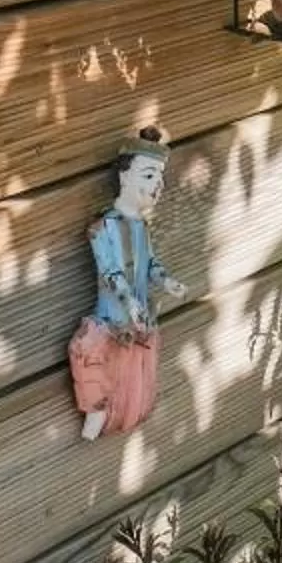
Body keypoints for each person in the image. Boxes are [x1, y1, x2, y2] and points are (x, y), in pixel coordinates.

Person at [67, 128, 182, 440]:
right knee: (88, 355)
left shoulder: (141, 226)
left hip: (140, 317)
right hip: (113, 318)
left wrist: (166, 280)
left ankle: (129, 410)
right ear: (124, 176)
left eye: (160, 178)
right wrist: (128, 301)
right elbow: (110, 272)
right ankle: (97, 411)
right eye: (148, 176)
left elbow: (150, 264)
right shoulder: (103, 227)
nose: (157, 186)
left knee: (137, 371)